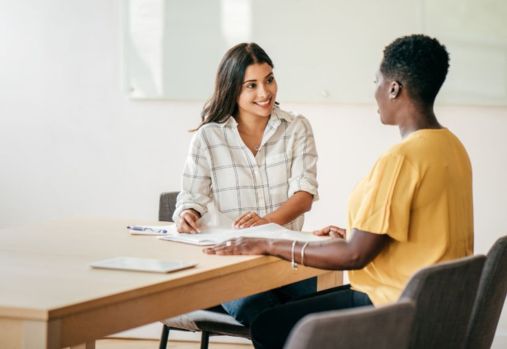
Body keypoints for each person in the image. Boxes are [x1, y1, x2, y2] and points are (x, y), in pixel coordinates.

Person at [204, 34, 474, 348]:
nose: (375, 92)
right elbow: (415, 237)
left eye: (377, 81)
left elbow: (355, 255)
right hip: (437, 308)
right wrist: (351, 235)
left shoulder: (400, 159)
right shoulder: (452, 147)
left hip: (391, 308)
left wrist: (267, 242)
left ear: (394, 88)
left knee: (269, 325)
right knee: (286, 310)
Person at [173, 43, 319, 325]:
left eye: (269, 80)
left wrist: (264, 225)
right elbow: (191, 197)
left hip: (287, 261)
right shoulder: (208, 138)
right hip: (231, 265)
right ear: (232, 89)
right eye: (251, 85)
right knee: (268, 315)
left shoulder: (296, 127)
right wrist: (187, 214)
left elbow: (304, 195)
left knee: (315, 310)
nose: (265, 93)